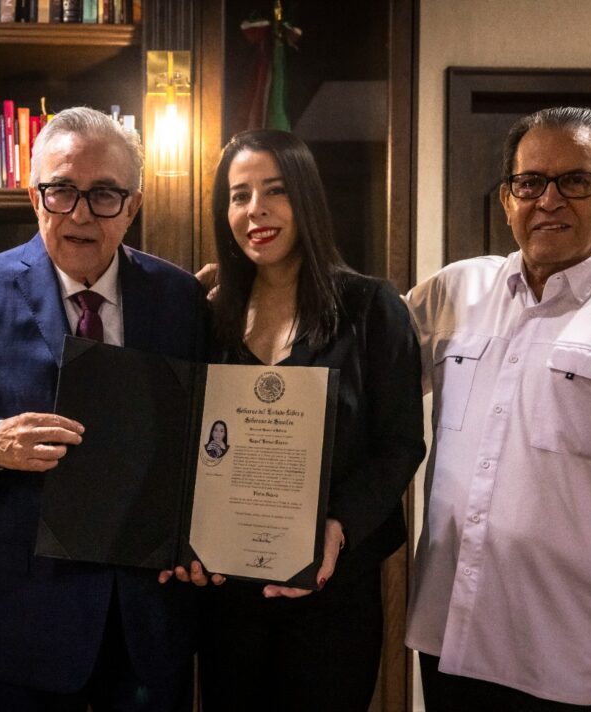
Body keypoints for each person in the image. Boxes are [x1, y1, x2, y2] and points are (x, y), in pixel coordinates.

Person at [0, 106, 207, 712]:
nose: (81, 214)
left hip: (148, 616)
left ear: (133, 206)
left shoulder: (179, 297)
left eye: (105, 194)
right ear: (34, 197)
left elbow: (205, 430)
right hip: (20, 616)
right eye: (62, 191)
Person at [405, 106, 591, 711]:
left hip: (581, 664)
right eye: (530, 182)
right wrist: (251, 296)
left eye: (576, 181)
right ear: (507, 198)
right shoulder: (457, 290)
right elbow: (349, 354)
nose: (549, 200)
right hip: (450, 643)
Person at [193, 129, 425, 711]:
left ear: (307, 199)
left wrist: (339, 523)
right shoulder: (210, 318)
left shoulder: (371, 309)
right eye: (239, 195)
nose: (256, 210)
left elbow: (400, 443)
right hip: (227, 596)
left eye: (275, 190)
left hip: (332, 592)